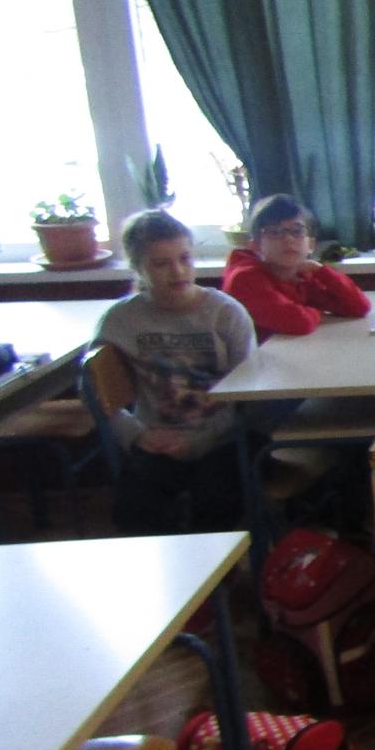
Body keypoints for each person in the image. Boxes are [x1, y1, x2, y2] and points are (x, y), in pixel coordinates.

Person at [95, 209, 256, 535]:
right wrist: (137, 435)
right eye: (161, 263)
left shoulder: (226, 312)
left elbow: (251, 391)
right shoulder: (119, 320)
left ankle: (216, 564)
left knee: (217, 500)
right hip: (156, 439)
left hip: (223, 437)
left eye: (185, 259)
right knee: (134, 507)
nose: (178, 271)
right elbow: (99, 392)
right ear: (139, 267)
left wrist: (203, 439)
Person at [222, 193, 371, 340]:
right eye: (274, 232)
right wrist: (317, 312)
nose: (288, 239)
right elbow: (299, 322)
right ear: (255, 246)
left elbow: (359, 307)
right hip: (254, 355)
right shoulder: (245, 278)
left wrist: (321, 271)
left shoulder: (300, 275)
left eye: (297, 231)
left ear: (311, 245)